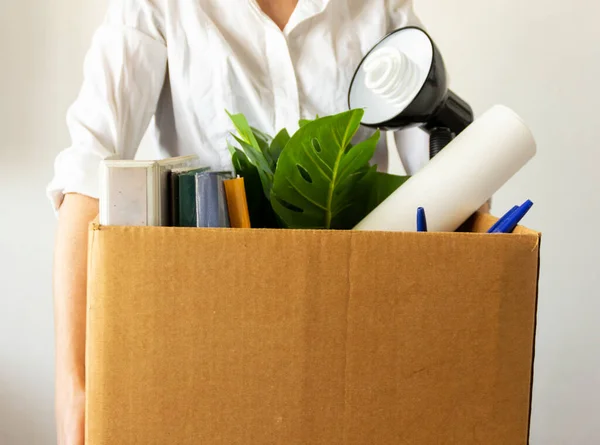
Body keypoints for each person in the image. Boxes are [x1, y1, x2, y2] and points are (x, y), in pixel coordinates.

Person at [48, 1, 488, 444]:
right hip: (209, 326)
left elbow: (446, 186)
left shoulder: (376, 8)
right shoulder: (158, 8)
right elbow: (88, 174)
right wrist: (76, 389)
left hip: (357, 333)